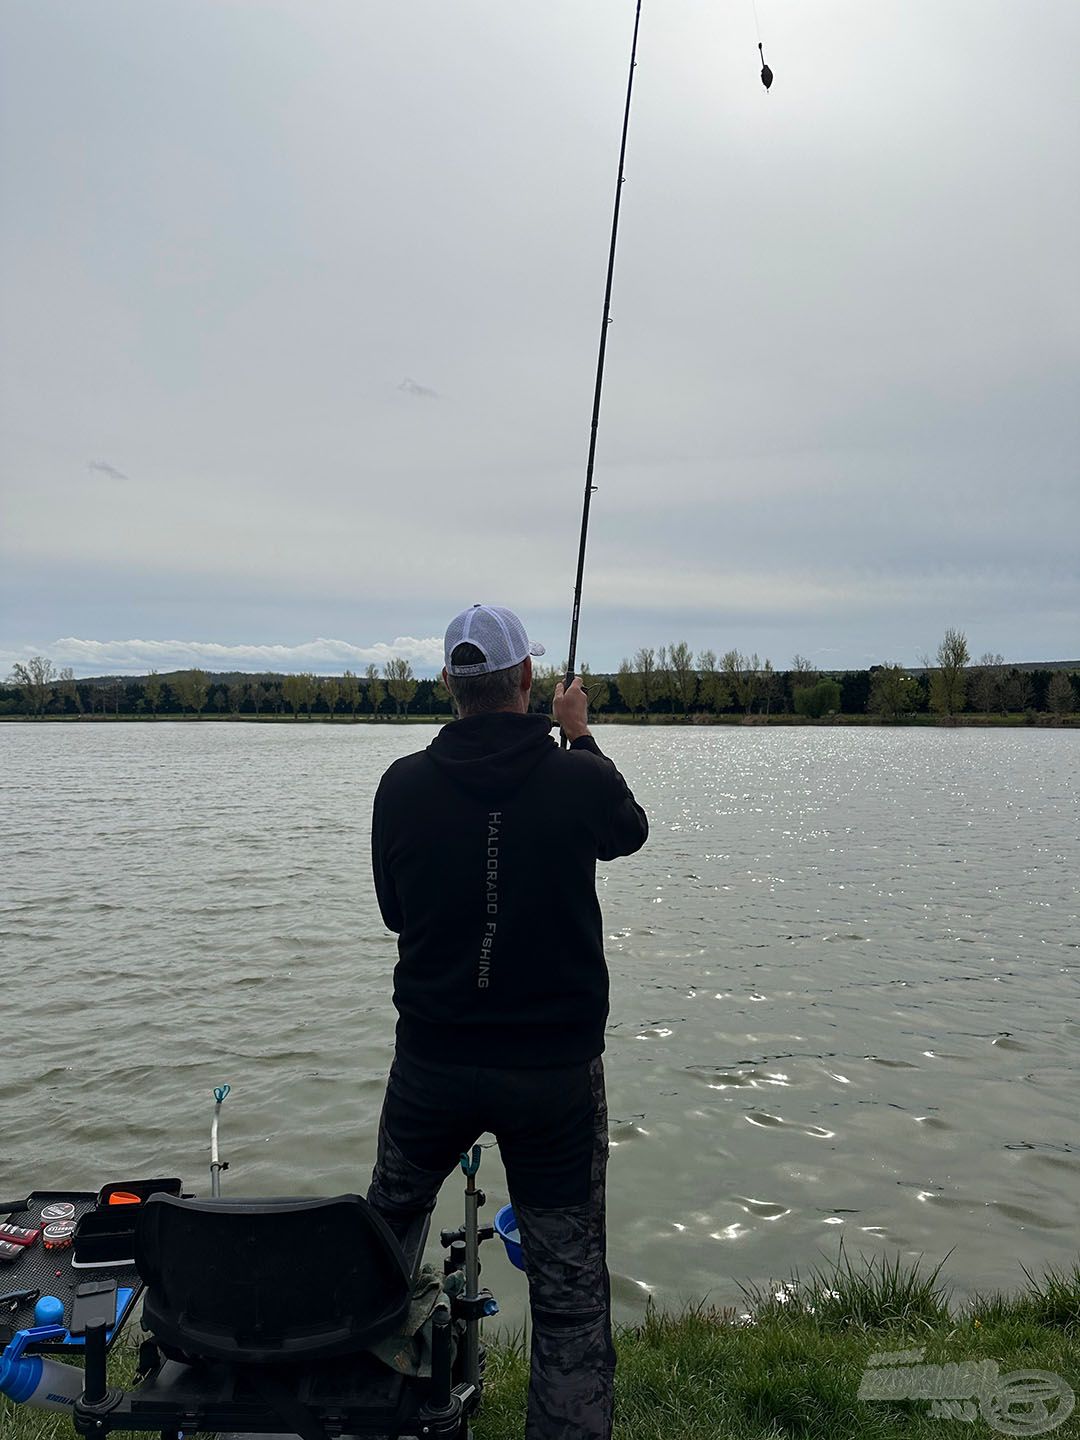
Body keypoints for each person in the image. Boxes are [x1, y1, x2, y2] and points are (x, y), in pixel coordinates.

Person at [367, 603, 648, 1440]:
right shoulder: (578, 774)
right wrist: (581, 735)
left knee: (379, 1254)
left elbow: (393, 913)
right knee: (568, 1292)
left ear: (450, 684)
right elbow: (627, 832)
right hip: (554, 1079)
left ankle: (350, 1402)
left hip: (430, 1067)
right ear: (527, 681)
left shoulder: (402, 786)